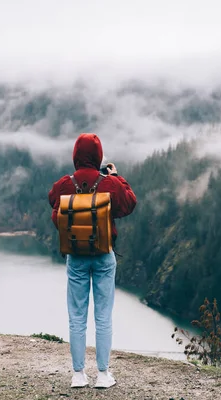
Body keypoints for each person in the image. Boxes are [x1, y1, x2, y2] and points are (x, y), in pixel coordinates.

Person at [48, 133, 137, 389]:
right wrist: (116, 176)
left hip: (76, 256)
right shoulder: (109, 183)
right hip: (103, 255)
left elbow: (52, 199)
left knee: (76, 316)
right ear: (99, 156)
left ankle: (78, 375)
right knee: (103, 315)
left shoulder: (67, 183)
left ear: (76, 155)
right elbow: (130, 203)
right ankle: (103, 374)